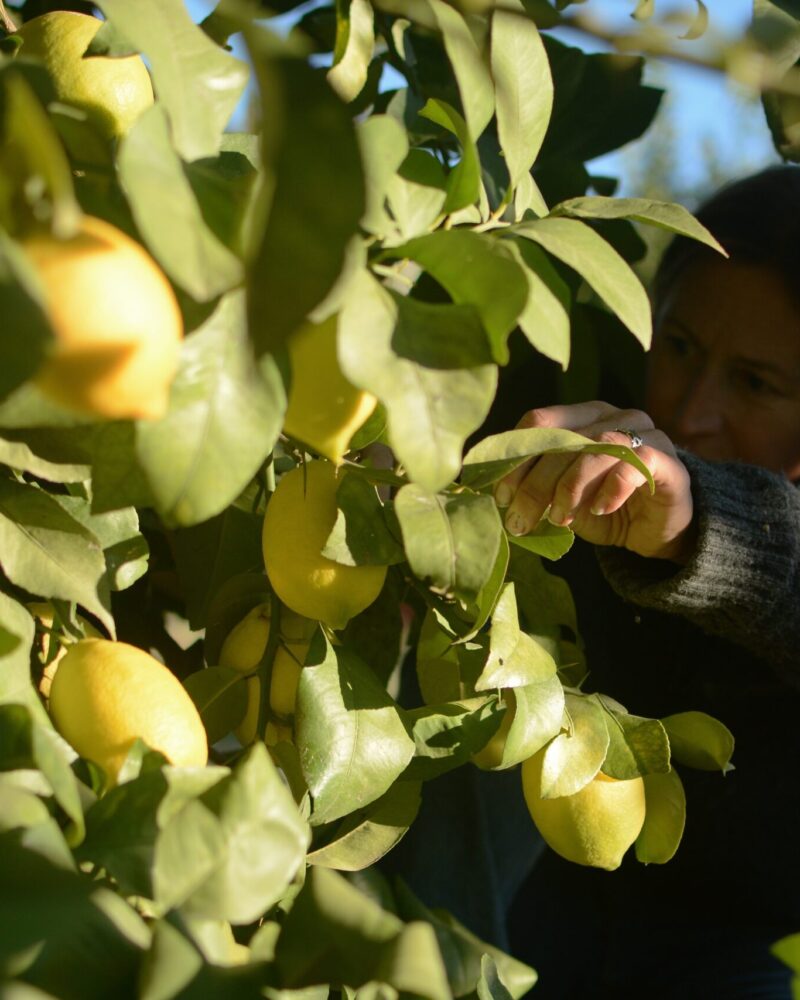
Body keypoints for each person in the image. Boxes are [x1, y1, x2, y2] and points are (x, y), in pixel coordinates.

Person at [502, 164, 800, 999]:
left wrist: (702, 524)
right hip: (523, 899)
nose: (695, 408)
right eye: (680, 348)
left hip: (724, 952)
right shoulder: (574, 411)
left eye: (756, 382)